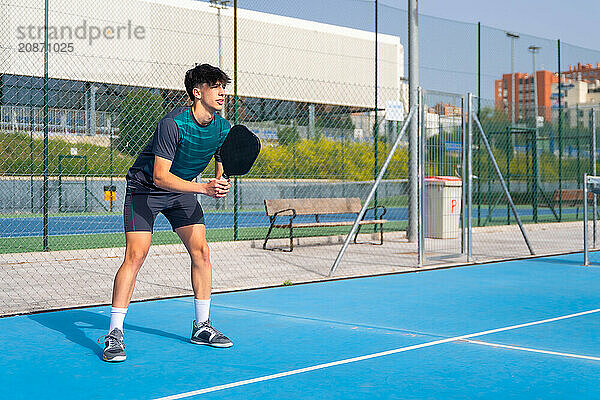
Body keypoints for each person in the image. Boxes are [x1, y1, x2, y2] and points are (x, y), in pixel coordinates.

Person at [102, 64, 233, 362]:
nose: (222, 92)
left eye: (223, 86)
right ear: (197, 92)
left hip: (183, 192)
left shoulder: (223, 128)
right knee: (136, 256)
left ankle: (202, 326)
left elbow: (221, 159)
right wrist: (204, 189)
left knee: (201, 252)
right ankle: (114, 333)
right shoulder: (172, 124)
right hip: (146, 190)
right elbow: (160, 177)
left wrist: (221, 180)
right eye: (215, 86)